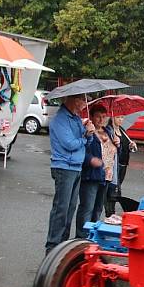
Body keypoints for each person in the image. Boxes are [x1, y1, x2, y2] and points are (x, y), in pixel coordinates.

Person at [46, 94, 95, 253]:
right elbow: (70, 144)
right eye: (83, 100)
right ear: (74, 100)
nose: (85, 104)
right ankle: (52, 247)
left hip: (75, 167)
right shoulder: (60, 119)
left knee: (70, 208)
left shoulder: (75, 118)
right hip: (64, 167)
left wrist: (88, 133)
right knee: (61, 208)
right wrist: (85, 136)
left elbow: (86, 142)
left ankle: (62, 246)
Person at [76, 105, 119, 238]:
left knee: (98, 209)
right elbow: (81, 151)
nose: (101, 119)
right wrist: (90, 160)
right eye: (98, 116)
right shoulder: (88, 131)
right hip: (91, 175)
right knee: (87, 208)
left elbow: (114, 154)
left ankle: (91, 236)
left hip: (106, 176)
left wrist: (118, 144)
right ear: (92, 117)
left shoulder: (109, 131)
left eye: (103, 116)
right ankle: (81, 237)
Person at [104, 115, 137, 220]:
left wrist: (131, 146)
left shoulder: (122, 130)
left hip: (123, 164)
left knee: (117, 188)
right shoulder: (109, 130)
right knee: (112, 188)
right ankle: (109, 212)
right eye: (118, 117)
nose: (120, 120)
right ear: (112, 118)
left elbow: (126, 145)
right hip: (114, 164)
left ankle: (111, 212)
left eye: (122, 117)